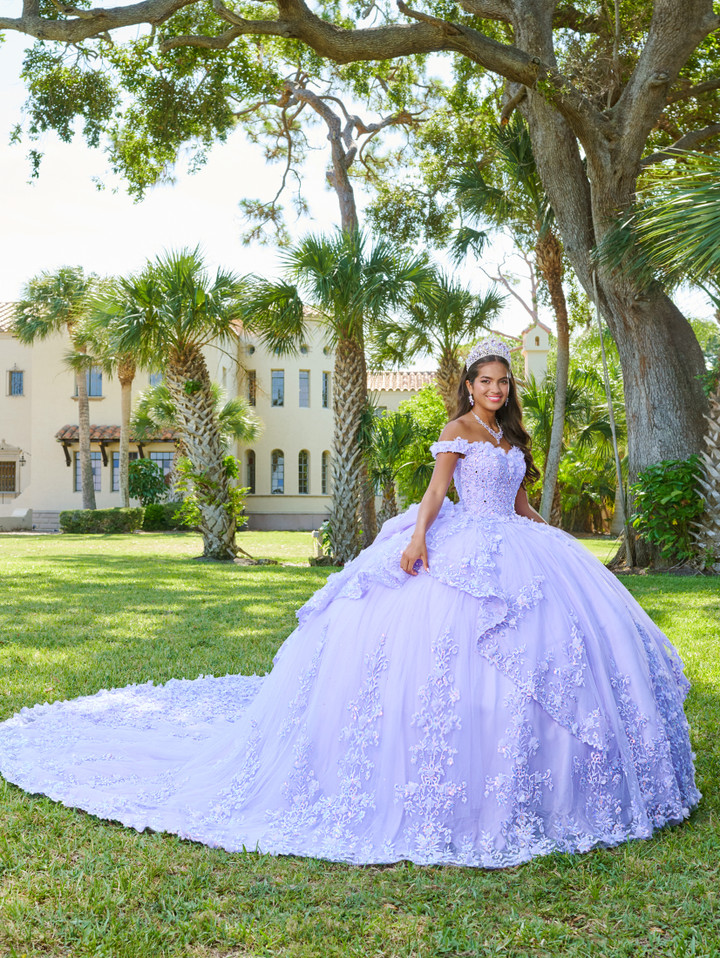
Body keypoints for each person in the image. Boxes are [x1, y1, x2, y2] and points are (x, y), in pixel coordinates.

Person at [0, 336, 699, 869]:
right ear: (469, 385)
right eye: (484, 380)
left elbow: (517, 503)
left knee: (551, 649)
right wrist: (418, 539)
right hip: (459, 542)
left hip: (516, 542)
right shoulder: (455, 433)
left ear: (509, 388)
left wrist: (559, 544)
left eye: (501, 380)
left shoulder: (512, 435)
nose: (493, 388)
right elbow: (435, 493)